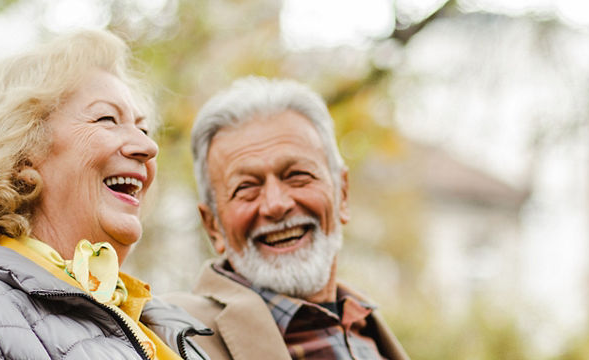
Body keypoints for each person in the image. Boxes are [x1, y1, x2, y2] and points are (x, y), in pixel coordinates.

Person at [0, 30, 210, 360]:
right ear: (22, 154)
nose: (149, 147)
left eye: (143, 129)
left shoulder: (162, 327)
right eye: (107, 119)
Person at [163, 77, 409, 359]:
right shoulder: (170, 334)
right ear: (213, 226)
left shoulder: (365, 326)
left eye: (297, 176)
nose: (276, 205)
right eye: (246, 187)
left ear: (342, 194)